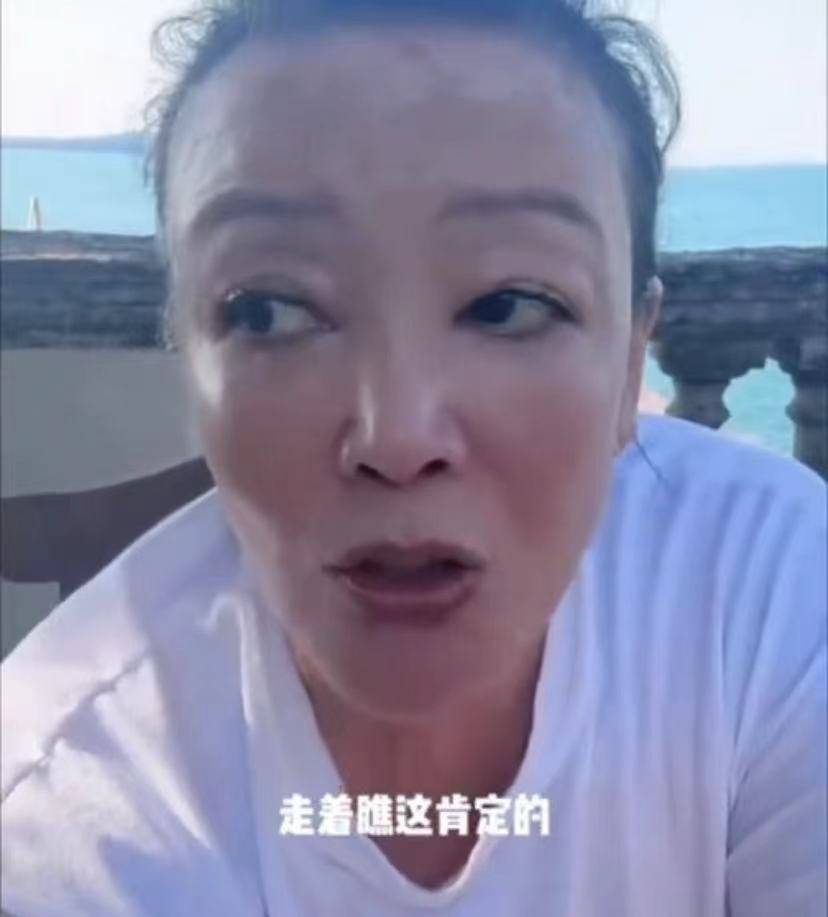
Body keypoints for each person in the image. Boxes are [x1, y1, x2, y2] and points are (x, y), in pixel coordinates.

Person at [2, 1, 825, 914]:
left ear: (632, 358)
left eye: (509, 304)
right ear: (190, 362)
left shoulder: (773, 597)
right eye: (269, 310)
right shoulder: (64, 817)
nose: (397, 438)